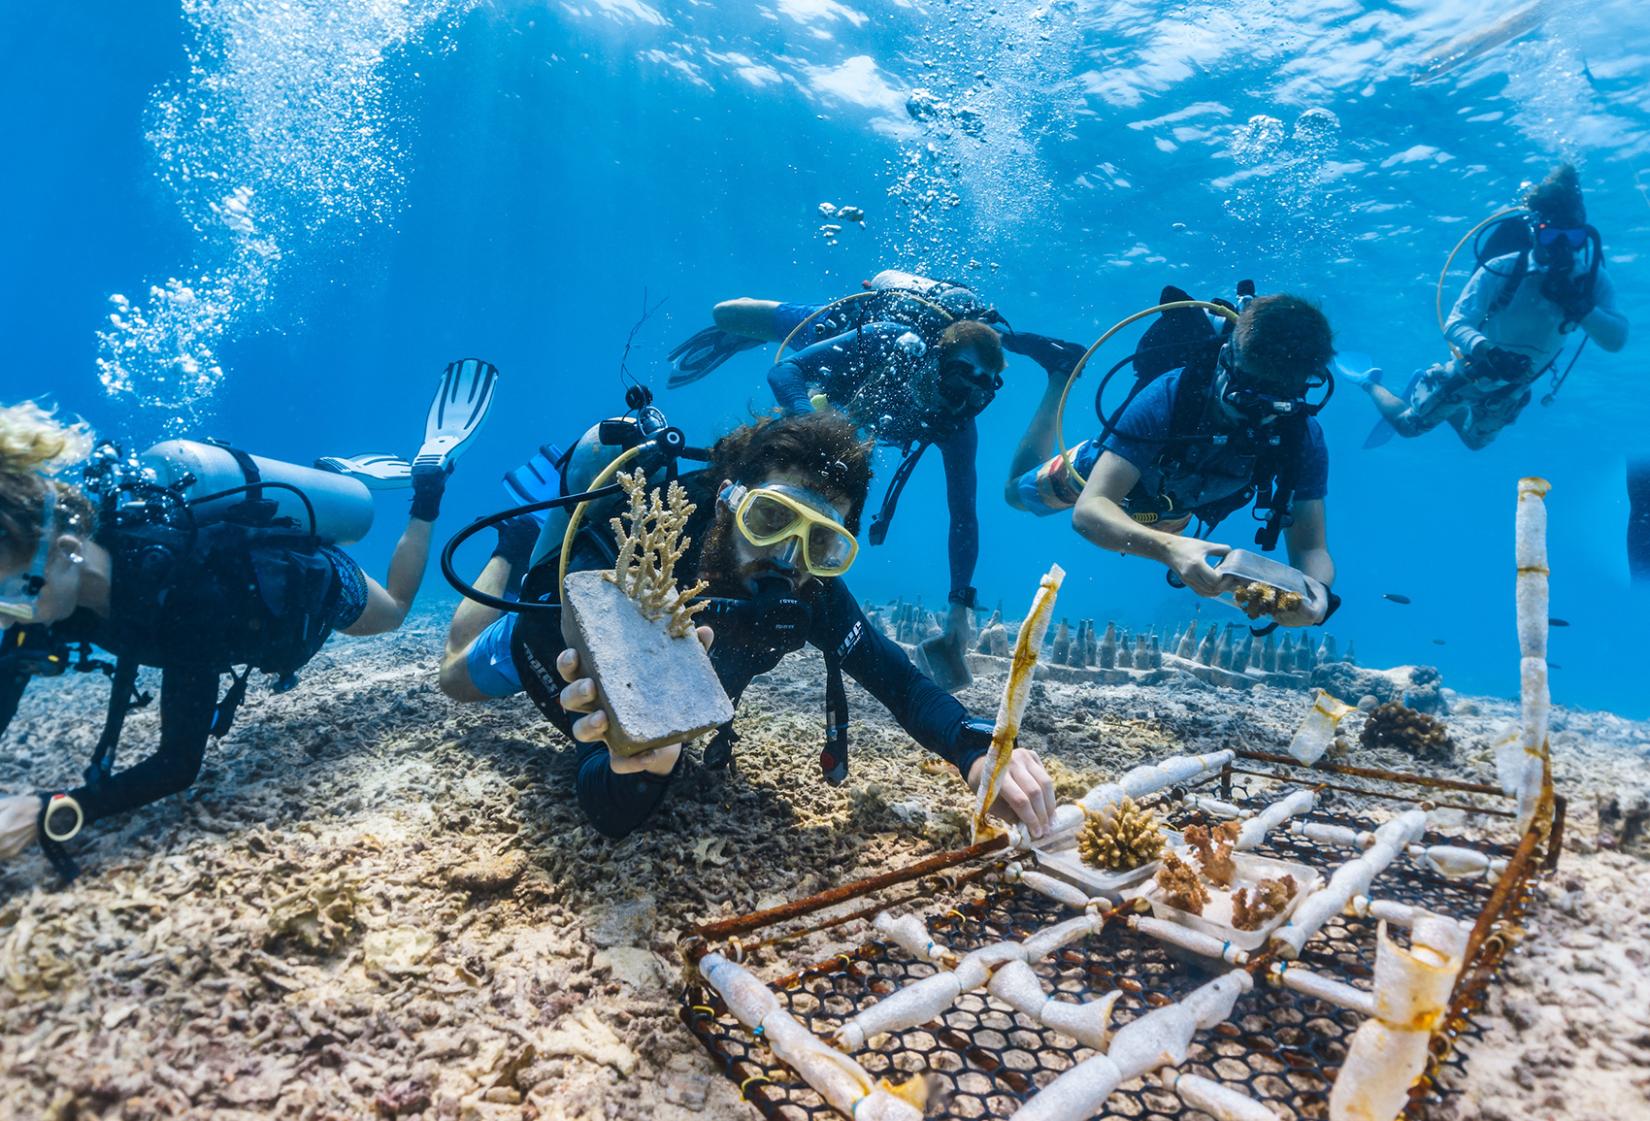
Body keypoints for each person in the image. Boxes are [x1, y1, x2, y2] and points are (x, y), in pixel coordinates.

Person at [439, 409, 1056, 841]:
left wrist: (976, 749)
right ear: (730, 500)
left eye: (821, 543)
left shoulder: (809, 591)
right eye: (769, 521)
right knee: (454, 680)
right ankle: (515, 543)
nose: (787, 560)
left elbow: (899, 681)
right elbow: (603, 799)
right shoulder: (636, 557)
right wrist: (633, 759)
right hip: (548, 627)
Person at [0, 360, 497, 877]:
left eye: (9, 593)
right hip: (243, 574)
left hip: (310, 579)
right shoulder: (47, 597)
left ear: (65, 552)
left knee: (393, 611)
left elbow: (177, 765)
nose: (9, 617)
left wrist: (51, 811)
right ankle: (330, 481)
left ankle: (427, 487)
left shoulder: (186, 594)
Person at [670, 271, 1070, 692]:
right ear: (936, 359)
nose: (961, 402)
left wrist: (959, 604)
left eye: (979, 396)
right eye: (958, 383)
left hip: (844, 397)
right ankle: (748, 333)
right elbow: (786, 373)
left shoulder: (956, 424)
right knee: (728, 313)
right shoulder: (887, 339)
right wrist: (814, 427)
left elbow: (963, 514)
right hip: (830, 345)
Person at [1004, 292, 1337, 626]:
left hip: (1173, 508)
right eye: (1247, 395)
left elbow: (1310, 549)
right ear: (1226, 358)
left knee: (1164, 530)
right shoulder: (1169, 396)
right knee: (1015, 495)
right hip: (1105, 477)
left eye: (1277, 401)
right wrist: (1170, 549)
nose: (1258, 415)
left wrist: (1318, 594)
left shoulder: (1301, 436)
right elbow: (1090, 512)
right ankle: (1060, 373)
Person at [1350, 164, 1628, 450]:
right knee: (1409, 427)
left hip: (1512, 387)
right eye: (1550, 235)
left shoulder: (1591, 280)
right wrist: (1490, 352)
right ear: (1534, 231)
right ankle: (1369, 382)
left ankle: (1440, 397)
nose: (1561, 247)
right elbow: (1456, 323)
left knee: (1474, 442)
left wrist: (1584, 310)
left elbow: (1616, 339)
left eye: (1572, 238)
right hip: (1469, 372)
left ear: (1584, 237)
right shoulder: (1503, 269)